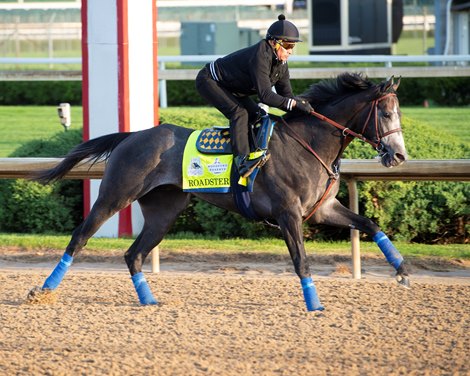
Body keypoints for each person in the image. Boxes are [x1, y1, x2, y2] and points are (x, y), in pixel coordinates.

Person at [195, 14, 314, 178]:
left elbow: (286, 96)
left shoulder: (281, 64)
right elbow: (265, 96)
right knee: (239, 113)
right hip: (210, 81)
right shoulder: (260, 56)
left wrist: (302, 105)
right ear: (273, 42)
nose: (290, 51)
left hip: (233, 87)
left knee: (259, 115)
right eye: (287, 45)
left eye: (292, 46)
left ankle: (254, 152)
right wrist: (294, 104)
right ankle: (241, 162)